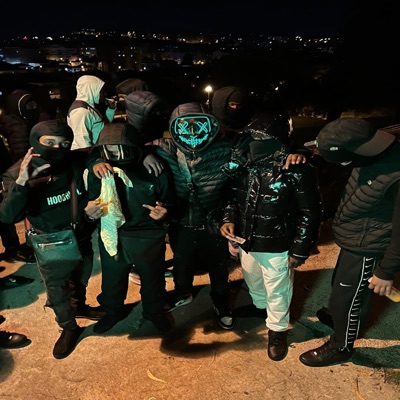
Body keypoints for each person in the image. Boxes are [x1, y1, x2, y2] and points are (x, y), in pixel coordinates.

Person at [219, 112, 323, 361]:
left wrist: (300, 249)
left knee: (278, 289)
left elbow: (311, 213)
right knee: (253, 279)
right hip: (247, 242)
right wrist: (228, 220)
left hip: (278, 245)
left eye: (266, 139)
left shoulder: (297, 170)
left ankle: (277, 329)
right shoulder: (243, 165)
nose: (258, 144)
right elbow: (232, 198)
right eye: (253, 138)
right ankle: (260, 308)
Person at [299, 118, 400, 367]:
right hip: (356, 237)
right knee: (342, 288)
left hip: (369, 245)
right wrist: (303, 153)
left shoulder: (396, 174)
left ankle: (341, 346)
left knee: (347, 299)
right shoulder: (371, 145)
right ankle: (340, 318)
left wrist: (386, 271)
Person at [0, 119, 105, 359]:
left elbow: (94, 151)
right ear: (35, 142)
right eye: (49, 142)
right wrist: (21, 182)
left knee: (82, 276)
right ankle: (68, 327)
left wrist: (96, 161)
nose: (57, 149)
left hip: (80, 233)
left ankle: (79, 307)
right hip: (50, 242)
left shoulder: (72, 160)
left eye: (63, 143)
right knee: (58, 290)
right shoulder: (17, 172)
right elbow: (8, 216)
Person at [86, 122, 175, 333]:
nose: (115, 155)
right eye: (109, 150)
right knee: (112, 279)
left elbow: (170, 199)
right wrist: (89, 212)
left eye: (122, 148)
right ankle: (112, 311)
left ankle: (154, 311)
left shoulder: (153, 167)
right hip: (113, 233)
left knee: (152, 278)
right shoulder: (99, 170)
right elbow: (91, 200)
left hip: (147, 233)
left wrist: (164, 213)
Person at [67, 74, 118, 150]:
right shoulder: (81, 112)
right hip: (91, 154)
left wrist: (111, 109)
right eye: (102, 91)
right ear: (92, 90)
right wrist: (95, 157)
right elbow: (83, 144)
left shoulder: (87, 106)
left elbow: (102, 126)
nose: (105, 94)